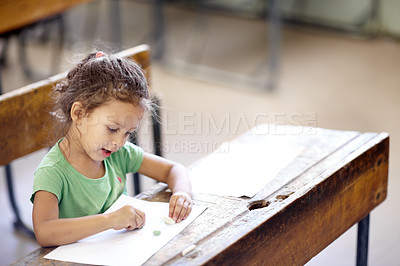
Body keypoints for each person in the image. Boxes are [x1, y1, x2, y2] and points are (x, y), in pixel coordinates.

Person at [31, 51, 192, 247]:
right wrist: (110, 221)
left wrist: (182, 193)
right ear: (79, 113)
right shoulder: (52, 172)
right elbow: (45, 232)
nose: (119, 142)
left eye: (128, 133)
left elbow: (174, 170)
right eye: (112, 129)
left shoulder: (117, 154)